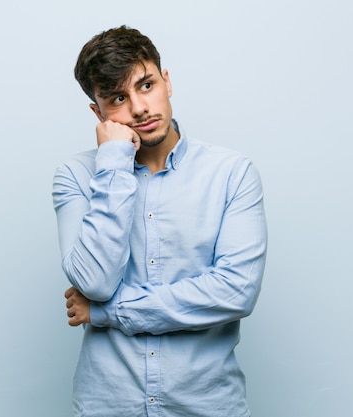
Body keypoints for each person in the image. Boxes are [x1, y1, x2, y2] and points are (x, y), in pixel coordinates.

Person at [52, 25, 267, 417]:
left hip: (205, 406)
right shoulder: (76, 177)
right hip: (108, 406)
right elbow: (95, 281)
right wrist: (114, 163)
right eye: (118, 98)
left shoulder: (232, 172)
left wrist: (106, 312)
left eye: (146, 85)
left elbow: (235, 292)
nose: (138, 108)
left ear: (167, 82)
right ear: (97, 113)